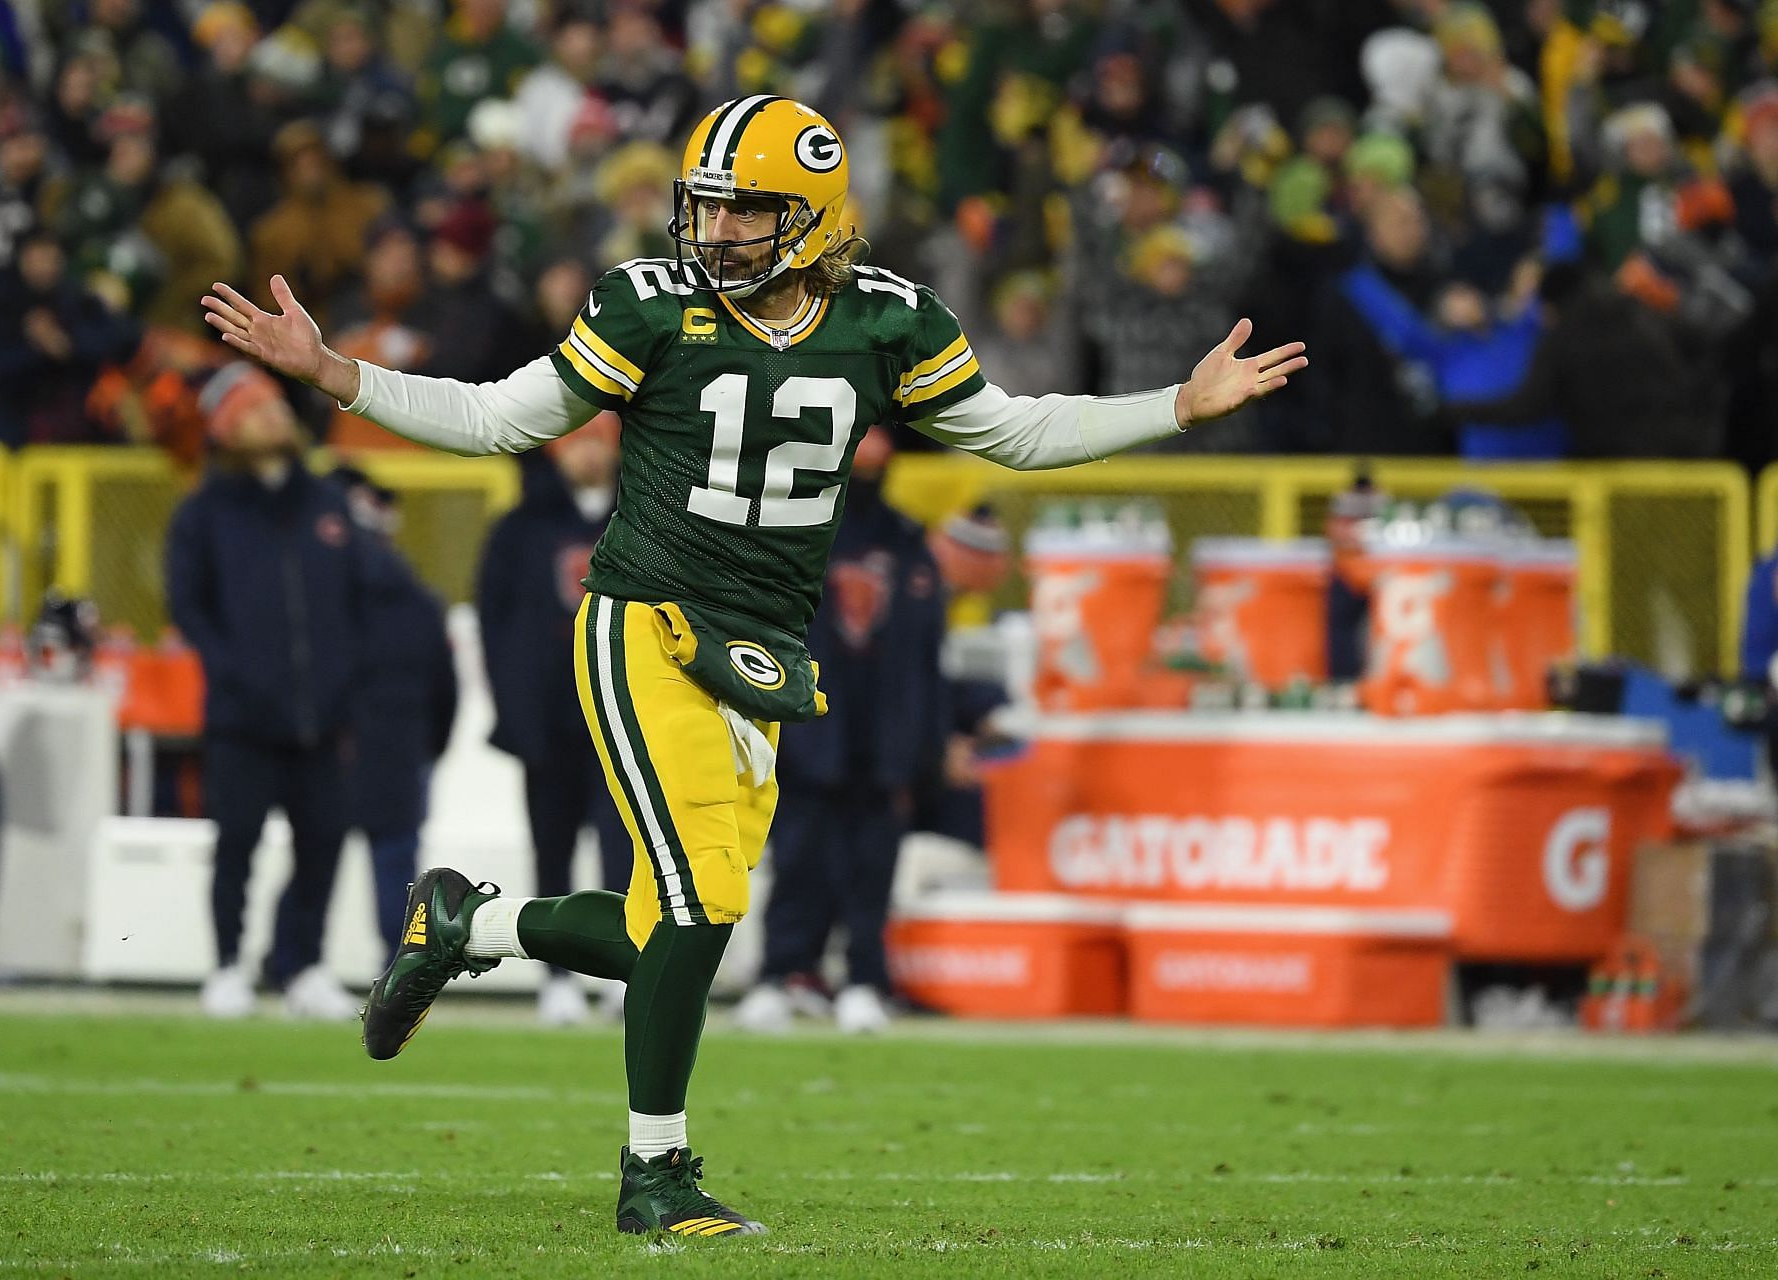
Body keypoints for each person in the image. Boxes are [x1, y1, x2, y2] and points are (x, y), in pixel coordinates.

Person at [202, 95, 1305, 1238]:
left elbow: (1012, 432)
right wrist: (337, 373)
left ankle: (465, 927)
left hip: (763, 647)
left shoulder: (886, 324)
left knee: (664, 925)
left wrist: (1177, 404)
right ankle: (655, 1173)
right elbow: (498, 420)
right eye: (709, 208)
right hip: (641, 621)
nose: (718, 233)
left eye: (747, 211)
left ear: (818, 219)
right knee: (700, 896)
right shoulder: (646, 305)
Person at [162, 362, 369, 1022]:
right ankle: (227, 965)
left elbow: (358, 603)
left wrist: (345, 680)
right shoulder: (203, 515)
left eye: (277, 406)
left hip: (322, 716)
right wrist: (235, 676)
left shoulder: (328, 504)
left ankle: (304, 966)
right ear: (225, 427)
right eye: (256, 409)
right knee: (237, 847)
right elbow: (189, 608)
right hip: (243, 719)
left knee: (323, 844)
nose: (275, 417)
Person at [731, 425, 947, 1036]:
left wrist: (924, 745)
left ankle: (863, 981)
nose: (871, 452)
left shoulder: (908, 543)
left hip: (882, 740)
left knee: (872, 870)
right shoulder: (794, 533)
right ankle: (780, 975)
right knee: (797, 861)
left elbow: (928, 655)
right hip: (808, 731)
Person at [475, 416, 636, 1027]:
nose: (589, 455)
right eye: (578, 443)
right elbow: (497, 629)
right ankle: (556, 975)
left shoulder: (645, 518)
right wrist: (515, 715)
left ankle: (622, 968)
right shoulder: (517, 529)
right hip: (548, 723)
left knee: (627, 854)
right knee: (553, 854)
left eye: (600, 442)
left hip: (622, 717)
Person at [327, 464, 459, 968]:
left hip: (336, 740)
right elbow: (444, 684)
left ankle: (291, 964)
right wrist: (430, 744)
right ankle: (399, 968)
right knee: (397, 862)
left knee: (315, 859)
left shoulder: (320, 580)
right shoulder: (414, 592)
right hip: (401, 740)